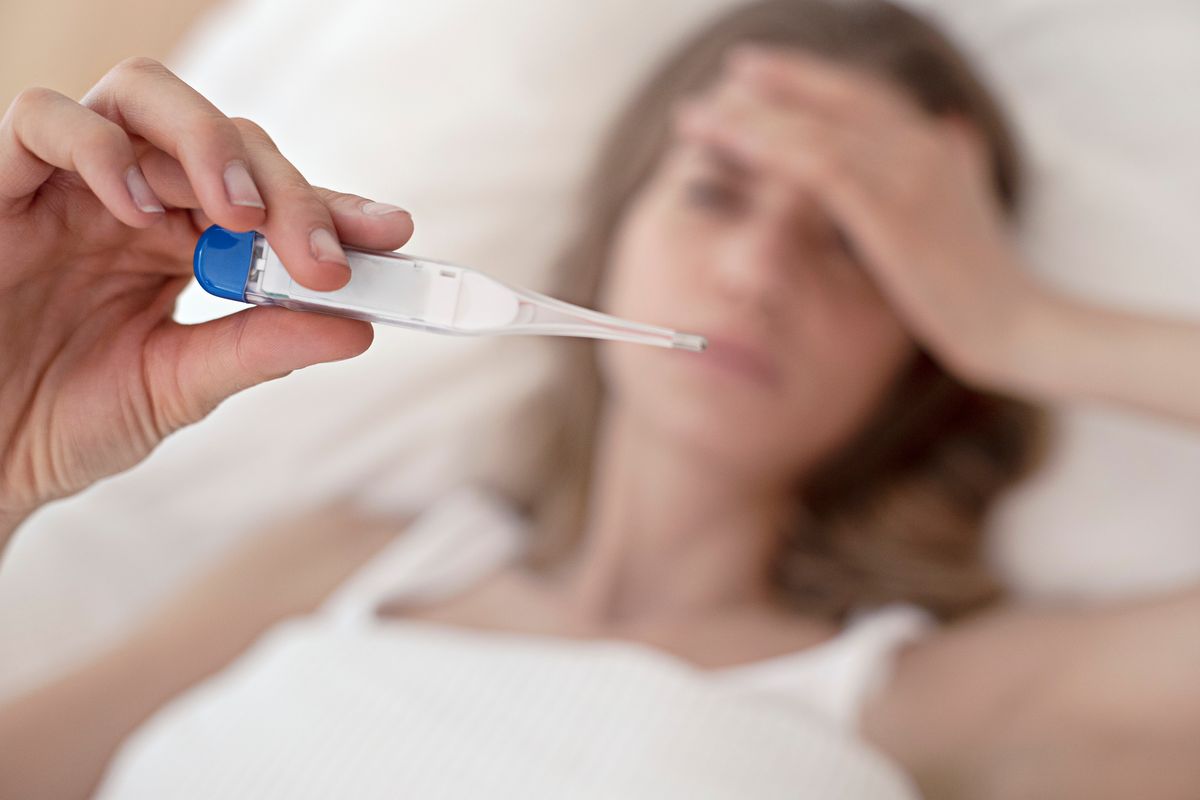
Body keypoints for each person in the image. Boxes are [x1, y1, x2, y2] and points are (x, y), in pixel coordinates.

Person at [1, 1, 1198, 798]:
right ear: (613, 234)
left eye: (856, 243)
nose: (755, 271)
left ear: (925, 347)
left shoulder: (946, 698)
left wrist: (1025, 324)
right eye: (718, 192)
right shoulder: (338, 566)